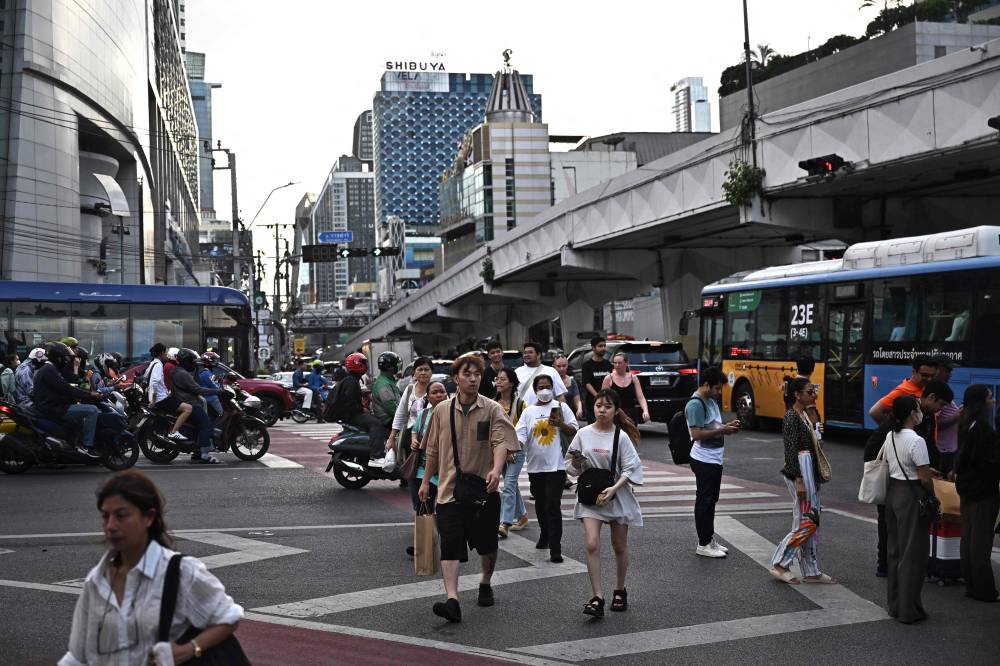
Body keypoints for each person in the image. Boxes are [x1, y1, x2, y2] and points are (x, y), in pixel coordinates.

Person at [59, 469, 243, 665]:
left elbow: (228, 617)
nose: (111, 526)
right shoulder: (96, 581)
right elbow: (78, 656)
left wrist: (190, 649)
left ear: (148, 517)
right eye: (106, 516)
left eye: (121, 516)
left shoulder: (181, 571)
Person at [417, 354, 519, 623]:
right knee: (450, 543)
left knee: (487, 546)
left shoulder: (492, 409)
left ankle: (485, 581)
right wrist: (426, 481)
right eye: (467, 374)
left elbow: (501, 442)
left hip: (483, 490)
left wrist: (496, 470)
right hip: (449, 490)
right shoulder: (441, 410)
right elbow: (433, 450)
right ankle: (453, 600)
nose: (473, 379)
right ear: (455, 379)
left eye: (477, 374)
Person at [566, 388, 643, 617]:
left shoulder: (621, 436)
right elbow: (570, 467)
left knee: (619, 545)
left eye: (607, 407)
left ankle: (620, 589)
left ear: (615, 411)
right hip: (591, 496)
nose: (602, 410)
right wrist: (578, 462)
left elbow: (631, 468)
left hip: (616, 496)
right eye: (599, 405)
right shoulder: (583, 434)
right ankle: (597, 596)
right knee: (591, 544)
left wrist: (614, 489)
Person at [864, 380, 950, 577]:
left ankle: (894, 565)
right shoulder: (910, 421)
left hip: (899, 475)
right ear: (931, 398)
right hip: (892, 474)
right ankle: (888, 564)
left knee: (893, 522)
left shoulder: (921, 418)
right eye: (941, 405)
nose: (940, 410)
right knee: (892, 523)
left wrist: (928, 467)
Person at [770, 378, 834, 584]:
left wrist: (815, 423)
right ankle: (780, 563)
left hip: (809, 473)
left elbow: (818, 443)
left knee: (809, 520)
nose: (813, 395)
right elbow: (791, 450)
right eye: (809, 392)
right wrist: (799, 480)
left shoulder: (804, 415)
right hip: (801, 473)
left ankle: (811, 569)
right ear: (797, 395)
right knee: (808, 520)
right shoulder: (791, 417)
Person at [883, 394, 936, 623]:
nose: (920, 412)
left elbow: (889, 463)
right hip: (912, 495)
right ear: (912, 414)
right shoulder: (917, 440)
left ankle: (894, 605)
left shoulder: (890, 436)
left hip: (892, 493)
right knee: (912, 554)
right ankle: (909, 610)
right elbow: (924, 478)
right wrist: (933, 497)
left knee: (894, 551)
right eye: (917, 408)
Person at [516, 375, 578, 562]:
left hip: (556, 467)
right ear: (535, 390)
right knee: (541, 505)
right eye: (541, 387)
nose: (545, 390)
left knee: (553, 505)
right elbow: (520, 435)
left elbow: (574, 430)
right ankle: (544, 534)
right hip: (535, 467)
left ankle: (555, 548)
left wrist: (560, 424)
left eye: (548, 387)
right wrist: (513, 448)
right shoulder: (529, 412)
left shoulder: (562, 408)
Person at [686, 366, 740, 558]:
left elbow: (713, 425)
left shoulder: (710, 401)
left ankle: (709, 539)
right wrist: (722, 431)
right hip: (703, 459)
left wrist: (726, 427)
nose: (719, 392)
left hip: (714, 459)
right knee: (705, 501)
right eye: (717, 388)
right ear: (706, 385)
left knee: (711, 500)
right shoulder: (695, 404)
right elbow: (697, 434)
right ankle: (703, 543)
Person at [954, 384, 1000, 602]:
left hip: (967, 490)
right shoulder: (983, 429)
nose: (993, 401)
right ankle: (985, 590)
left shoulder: (965, 424)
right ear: (982, 402)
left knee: (968, 537)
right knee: (981, 542)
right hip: (984, 493)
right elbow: (989, 462)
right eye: (990, 398)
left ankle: (971, 584)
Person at [32, 342, 103, 457]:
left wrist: (84, 393)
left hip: (52, 405)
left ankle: (75, 442)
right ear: (57, 357)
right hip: (53, 408)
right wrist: (90, 395)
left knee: (80, 415)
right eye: (64, 358)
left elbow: (66, 386)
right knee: (92, 410)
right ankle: (86, 446)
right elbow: (65, 388)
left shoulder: (50, 369)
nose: (66, 360)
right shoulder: (49, 370)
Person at [325, 352, 388, 464]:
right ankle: (377, 456)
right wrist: (362, 409)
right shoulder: (351, 381)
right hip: (352, 416)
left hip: (352, 414)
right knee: (376, 423)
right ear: (356, 364)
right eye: (363, 363)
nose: (366, 365)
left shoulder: (352, 379)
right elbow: (349, 402)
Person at [171, 349, 225, 464]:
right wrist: (217, 391)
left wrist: (195, 369)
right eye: (192, 361)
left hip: (187, 400)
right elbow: (197, 388)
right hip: (191, 403)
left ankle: (197, 452)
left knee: (200, 425)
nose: (194, 363)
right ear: (187, 361)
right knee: (206, 425)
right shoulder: (183, 374)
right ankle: (204, 455)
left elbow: (195, 383)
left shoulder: (178, 370)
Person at [494, 366, 529, 538]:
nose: (498, 382)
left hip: (517, 450)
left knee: (508, 485)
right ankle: (522, 516)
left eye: (502, 379)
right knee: (511, 484)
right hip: (498, 451)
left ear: (511, 383)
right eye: (497, 379)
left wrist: (514, 448)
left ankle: (505, 523)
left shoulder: (521, 404)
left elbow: (525, 429)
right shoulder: (492, 403)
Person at [388, 356, 433, 469]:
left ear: (431, 372)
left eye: (426, 369)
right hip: (410, 439)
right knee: (411, 471)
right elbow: (400, 414)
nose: (423, 372)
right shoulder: (409, 390)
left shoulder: (437, 390)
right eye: (420, 369)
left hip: (432, 440)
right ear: (414, 372)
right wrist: (391, 437)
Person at [868, 354, 937, 424]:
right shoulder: (903, 390)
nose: (929, 379)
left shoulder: (925, 387)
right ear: (913, 372)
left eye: (932, 376)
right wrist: (894, 431)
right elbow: (874, 412)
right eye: (925, 375)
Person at [145, 344, 192, 442]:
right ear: (161, 353)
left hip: (160, 397)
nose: (167, 355)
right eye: (166, 353)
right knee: (188, 408)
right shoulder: (158, 365)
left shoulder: (153, 363)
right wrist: (153, 401)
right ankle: (174, 432)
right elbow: (154, 383)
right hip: (161, 399)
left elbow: (146, 377)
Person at [370, 351, 402, 466]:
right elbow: (391, 407)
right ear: (390, 367)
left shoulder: (389, 380)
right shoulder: (383, 384)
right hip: (387, 420)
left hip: (390, 417)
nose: (398, 366)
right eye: (396, 364)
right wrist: (404, 417)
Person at [601, 351, 650, 425]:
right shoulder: (608, 378)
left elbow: (641, 397)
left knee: (631, 435)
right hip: (615, 414)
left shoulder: (633, 378)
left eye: (620, 363)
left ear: (626, 363)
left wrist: (645, 411)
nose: (617, 365)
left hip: (631, 413)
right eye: (615, 363)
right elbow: (603, 398)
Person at [932, 353, 961, 478]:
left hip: (948, 449)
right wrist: (957, 417)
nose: (950, 374)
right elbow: (935, 424)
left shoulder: (941, 389)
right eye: (948, 370)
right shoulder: (936, 392)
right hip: (943, 451)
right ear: (937, 369)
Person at [514, 341, 566, 406]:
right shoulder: (517, 372)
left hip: (547, 414)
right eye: (525, 353)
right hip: (523, 413)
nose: (526, 355)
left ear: (538, 355)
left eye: (530, 352)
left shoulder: (551, 371)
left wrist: (561, 414)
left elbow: (560, 396)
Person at [581, 337, 612, 423]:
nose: (603, 348)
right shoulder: (587, 365)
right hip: (593, 403)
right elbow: (587, 383)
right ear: (593, 348)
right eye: (600, 346)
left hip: (608, 402)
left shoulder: (608, 364)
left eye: (604, 346)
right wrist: (598, 396)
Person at [554, 354, 584, 422]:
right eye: (558, 366)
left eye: (564, 366)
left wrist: (579, 409)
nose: (562, 368)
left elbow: (577, 400)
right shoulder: (551, 381)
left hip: (570, 416)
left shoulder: (572, 381)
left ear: (567, 365)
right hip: (556, 415)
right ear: (554, 367)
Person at [197, 352, 225, 419]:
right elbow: (217, 386)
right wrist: (220, 382)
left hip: (205, 397)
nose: (215, 361)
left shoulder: (205, 372)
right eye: (214, 359)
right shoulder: (207, 373)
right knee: (221, 414)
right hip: (209, 398)